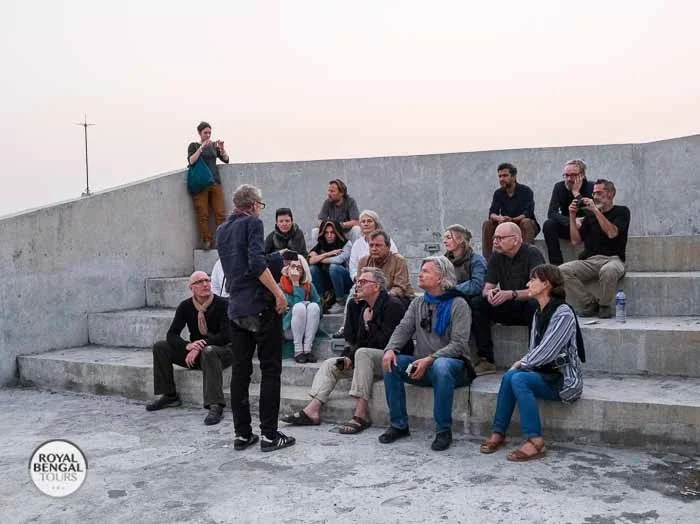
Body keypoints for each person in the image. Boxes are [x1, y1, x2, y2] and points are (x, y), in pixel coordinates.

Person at [280, 268, 411, 433]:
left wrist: (367, 324)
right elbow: (353, 338)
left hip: (390, 361)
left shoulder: (393, 306)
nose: (358, 285)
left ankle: (361, 414)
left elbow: (387, 344)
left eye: (363, 282)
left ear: (377, 286)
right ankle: (312, 410)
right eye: (357, 281)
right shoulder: (362, 306)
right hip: (366, 360)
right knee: (331, 364)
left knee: (362, 354)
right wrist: (348, 355)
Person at [216, 184, 295, 452]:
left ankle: (242, 434)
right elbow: (255, 265)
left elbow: (238, 264)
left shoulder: (222, 230)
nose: (260, 210)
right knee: (271, 369)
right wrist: (279, 295)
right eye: (261, 205)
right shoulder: (253, 223)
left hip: (235, 307)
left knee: (241, 371)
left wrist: (274, 256)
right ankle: (270, 436)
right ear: (252, 205)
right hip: (259, 306)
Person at [479, 264, 583, 461]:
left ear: (546, 284)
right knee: (511, 377)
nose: (528, 284)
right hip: (544, 375)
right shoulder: (538, 312)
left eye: (533, 280)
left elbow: (547, 351)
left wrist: (521, 362)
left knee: (518, 378)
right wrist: (522, 365)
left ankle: (536, 441)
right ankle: (498, 432)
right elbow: (536, 349)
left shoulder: (563, 313)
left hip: (565, 381)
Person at [379, 256, 475, 452]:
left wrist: (431, 359)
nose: (420, 274)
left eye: (426, 271)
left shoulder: (459, 304)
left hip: (454, 367)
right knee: (392, 363)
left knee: (441, 365)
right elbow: (403, 329)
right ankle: (399, 425)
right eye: (421, 271)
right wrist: (390, 349)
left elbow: (459, 344)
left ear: (440, 278)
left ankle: (443, 431)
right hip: (422, 365)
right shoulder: (418, 303)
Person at [146, 271, 233, 426]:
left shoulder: (223, 304)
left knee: (209, 351)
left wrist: (199, 346)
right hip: (198, 352)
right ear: (191, 287)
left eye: (207, 280)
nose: (205, 284)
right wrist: (187, 345)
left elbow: (226, 336)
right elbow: (172, 335)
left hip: (222, 351)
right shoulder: (186, 306)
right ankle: (170, 396)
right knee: (161, 347)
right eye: (199, 282)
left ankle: (215, 405)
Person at [470, 222, 544, 376]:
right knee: (478, 303)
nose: (495, 241)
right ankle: (486, 360)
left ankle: (535, 359)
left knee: (534, 305)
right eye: (494, 237)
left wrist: (512, 294)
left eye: (500, 238)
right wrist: (490, 294)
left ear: (516, 240)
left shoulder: (532, 253)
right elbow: (487, 288)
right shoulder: (496, 256)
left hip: (526, 306)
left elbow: (539, 290)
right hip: (508, 306)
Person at [559, 179, 630, 318]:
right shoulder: (589, 216)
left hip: (613, 259)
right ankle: (589, 303)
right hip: (590, 261)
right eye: (593, 193)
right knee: (561, 271)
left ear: (610, 194)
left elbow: (612, 233)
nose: (595, 197)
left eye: (599, 193)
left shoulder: (622, 211)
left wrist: (596, 211)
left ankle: (604, 306)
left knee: (608, 270)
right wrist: (572, 217)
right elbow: (575, 241)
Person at [542, 159, 595, 265]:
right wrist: (572, 221)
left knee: (594, 224)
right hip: (568, 224)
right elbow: (552, 212)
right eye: (566, 175)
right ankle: (556, 265)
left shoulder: (592, 187)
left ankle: (590, 260)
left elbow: (593, 211)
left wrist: (576, 193)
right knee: (549, 225)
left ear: (582, 175)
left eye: (573, 175)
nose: (569, 179)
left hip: (586, 227)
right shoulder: (559, 187)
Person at [482, 163, 540, 258]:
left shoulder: (526, 191)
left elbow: (527, 213)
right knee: (487, 224)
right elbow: (492, 213)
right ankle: (488, 261)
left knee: (526, 222)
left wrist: (512, 220)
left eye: (505, 176)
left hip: (523, 225)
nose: (501, 179)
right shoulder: (498, 193)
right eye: (500, 176)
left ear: (513, 177)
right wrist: (499, 218)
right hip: (505, 225)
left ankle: (526, 258)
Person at [187, 121, 229, 250]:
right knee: (203, 213)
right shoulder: (193, 145)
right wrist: (201, 148)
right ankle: (207, 240)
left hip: (215, 181)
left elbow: (226, 160)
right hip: (201, 183)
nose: (208, 135)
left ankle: (223, 241)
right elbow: (191, 161)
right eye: (205, 132)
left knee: (220, 212)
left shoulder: (213, 146)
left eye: (209, 132)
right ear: (199, 133)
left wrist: (221, 149)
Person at [280, 253, 321, 363]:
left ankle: (307, 350)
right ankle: (298, 351)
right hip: (288, 328)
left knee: (313, 306)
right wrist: (295, 284)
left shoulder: (308, 285)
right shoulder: (280, 286)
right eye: (293, 267)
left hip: (308, 327)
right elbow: (296, 306)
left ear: (303, 271)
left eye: (299, 268)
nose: (296, 270)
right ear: (288, 268)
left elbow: (319, 308)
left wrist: (308, 306)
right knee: (299, 307)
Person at [308, 220, 353, 314]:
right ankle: (320, 300)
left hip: (344, 282)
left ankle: (340, 301)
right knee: (312, 269)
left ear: (337, 232)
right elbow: (309, 260)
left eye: (332, 232)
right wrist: (328, 254)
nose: (329, 235)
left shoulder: (346, 244)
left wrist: (319, 259)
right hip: (327, 281)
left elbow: (338, 260)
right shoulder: (321, 244)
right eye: (326, 232)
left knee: (334, 267)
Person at [348, 210, 398, 282]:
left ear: (376, 224)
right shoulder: (357, 244)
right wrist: (359, 279)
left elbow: (394, 259)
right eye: (363, 222)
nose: (366, 224)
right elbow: (353, 268)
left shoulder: (387, 240)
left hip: (384, 279)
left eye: (369, 221)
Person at [442, 224, 487, 299]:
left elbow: (476, 285)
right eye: (444, 238)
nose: (444, 241)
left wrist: (452, 289)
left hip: (468, 300)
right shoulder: (444, 260)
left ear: (460, 239)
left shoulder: (477, 260)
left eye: (448, 238)